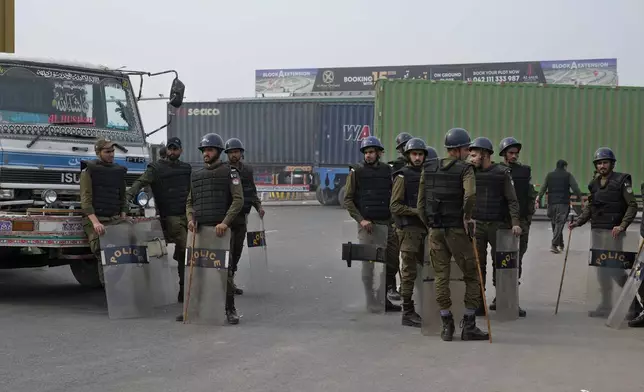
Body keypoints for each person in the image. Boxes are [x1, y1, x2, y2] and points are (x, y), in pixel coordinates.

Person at [418, 128, 489, 341]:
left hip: (435, 230)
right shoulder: (465, 170)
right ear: (457, 150)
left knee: (441, 277)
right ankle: (469, 325)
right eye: (467, 149)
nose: (469, 153)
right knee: (473, 275)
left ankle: (446, 324)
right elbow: (470, 195)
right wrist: (466, 218)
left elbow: (421, 204)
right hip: (457, 230)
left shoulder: (429, 167)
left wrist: (430, 224)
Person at [176, 133, 244, 325]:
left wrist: (225, 222)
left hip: (220, 231)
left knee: (225, 271)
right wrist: (190, 218)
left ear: (219, 151)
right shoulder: (196, 175)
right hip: (199, 231)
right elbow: (190, 202)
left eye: (210, 149)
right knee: (196, 270)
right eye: (204, 150)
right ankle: (191, 309)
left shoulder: (230, 172)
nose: (206, 153)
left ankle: (230, 309)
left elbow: (238, 200)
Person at [570, 148, 642, 323]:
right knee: (602, 270)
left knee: (615, 270)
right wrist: (578, 221)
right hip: (597, 231)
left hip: (613, 234)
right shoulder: (594, 184)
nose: (602, 166)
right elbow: (590, 207)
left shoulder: (622, 181)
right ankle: (606, 305)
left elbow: (632, 205)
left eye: (605, 162)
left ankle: (634, 306)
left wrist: (622, 225)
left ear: (612, 164)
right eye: (599, 163)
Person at [126, 137, 192, 302]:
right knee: (185, 248)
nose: (172, 151)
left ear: (180, 150)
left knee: (187, 250)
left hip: (188, 215)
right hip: (171, 216)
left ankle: (186, 287)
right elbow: (140, 182)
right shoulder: (156, 168)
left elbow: (194, 189)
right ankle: (184, 289)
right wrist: (127, 196)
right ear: (166, 150)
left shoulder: (186, 169)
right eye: (170, 148)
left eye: (175, 149)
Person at [343, 136, 402, 312]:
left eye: (371, 152)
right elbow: (348, 200)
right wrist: (361, 220)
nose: (368, 155)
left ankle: (382, 297)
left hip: (387, 224)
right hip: (367, 226)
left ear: (378, 153)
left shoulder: (387, 171)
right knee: (368, 264)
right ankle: (371, 299)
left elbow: (394, 196)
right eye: (366, 152)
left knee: (392, 262)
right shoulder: (357, 172)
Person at [468, 137, 524, 317]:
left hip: (498, 226)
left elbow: (512, 200)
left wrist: (515, 223)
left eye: (475, 155)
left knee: (502, 264)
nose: (471, 158)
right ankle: (478, 301)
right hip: (477, 226)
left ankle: (503, 299)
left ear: (485, 155)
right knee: (478, 264)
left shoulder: (502, 173)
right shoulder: (470, 172)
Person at [80, 138, 129, 284]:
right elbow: (86, 200)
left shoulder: (118, 172)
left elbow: (123, 197)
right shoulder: (89, 171)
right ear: (98, 152)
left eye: (113, 151)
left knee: (129, 250)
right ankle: (108, 289)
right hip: (96, 220)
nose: (111, 154)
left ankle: (118, 288)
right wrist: (95, 223)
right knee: (104, 253)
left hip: (114, 218)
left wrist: (123, 216)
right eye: (107, 152)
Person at [390, 137, 428, 327]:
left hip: (424, 229)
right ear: (408, 156)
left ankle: (423, 306)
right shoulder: (402, 176)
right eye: (414, 154)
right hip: (408, 229)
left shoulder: (426, 174)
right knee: (409, 272)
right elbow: (395, 206)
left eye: (421, 154)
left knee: (425, 269)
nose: (418, 157)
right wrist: (417, 212)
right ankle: (408, 310)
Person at [224, 137, 265, 296]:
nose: (234, 155)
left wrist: (259, 206)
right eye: (231, 152)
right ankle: (225, 283)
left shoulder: (247, 170)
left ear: (241, 153)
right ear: (227, 154)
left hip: (242, 216)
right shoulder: (223, 169)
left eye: (236, 152)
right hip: (226, 217)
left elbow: (252, 191)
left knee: (237, 250)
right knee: (227, 250)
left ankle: (231, 279)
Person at [498, 137, 536, 302]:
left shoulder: (524, 171)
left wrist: (527, 218)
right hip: (502, 222)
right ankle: (499, 296)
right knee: (500, 260)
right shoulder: (496, 170)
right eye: (511, 153)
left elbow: (530, 197)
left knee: (516, 260)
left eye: (516, 153)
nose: (514, 156)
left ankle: (511, 296)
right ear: (504, 154)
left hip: (520, 223)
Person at [536, 160, 583, 253]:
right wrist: (579, 197)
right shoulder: (568, 175)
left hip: (551, 203)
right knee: (559, 224)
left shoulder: (550, 175)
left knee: (555, 223)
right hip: (563, 203)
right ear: (565, 166)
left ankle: (560, 244)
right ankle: (554, 245)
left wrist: (538, 197)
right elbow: (575, 187)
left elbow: (543, 187)